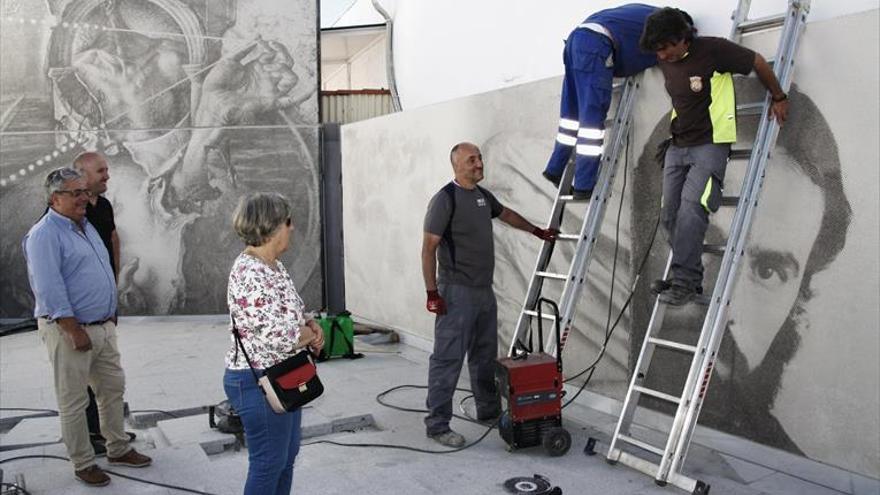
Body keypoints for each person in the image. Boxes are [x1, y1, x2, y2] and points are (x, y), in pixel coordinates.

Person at [639, 7, 790, 305]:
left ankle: (683, 282)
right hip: (678, 145)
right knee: (669, 213)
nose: (662, 56)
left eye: (666, 47)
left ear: (683, 38)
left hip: (710, 144)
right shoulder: (666, 60)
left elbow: (757, 62)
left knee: (692, 208)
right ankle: (690, 276)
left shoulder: (713, 50)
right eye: (656, 50)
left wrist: (779, 96)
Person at [421, 142, 558, 447]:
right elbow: (428, 249)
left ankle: (488, 410)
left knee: (484, 358)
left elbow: (506, 214)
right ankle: (437, 425)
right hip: (455, 294)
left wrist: (537, 231)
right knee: (447, 359)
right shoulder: (445, 200)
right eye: (472, 160)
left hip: (484, 292)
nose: (480, 164)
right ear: (457, 164)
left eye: (480, 158)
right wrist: (433, 292)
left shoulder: (482, 197)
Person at [23, 167, 151, 487]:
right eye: (76, 193)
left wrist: (109, 311)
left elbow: (99, 267)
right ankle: (83, 463)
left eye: (85, 191)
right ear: (55, 199)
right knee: (75, 401)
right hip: (71, 331)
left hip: (102, 326)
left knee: (111, 391)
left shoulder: (84, 224)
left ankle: (118, 448)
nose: (85, 198)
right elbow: (49, 288)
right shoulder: (44, 235)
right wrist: (72, 329)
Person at [223, 192, 325, 495]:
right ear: (272, 227)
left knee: (285, 459)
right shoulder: (251, 273)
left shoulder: (273, 266)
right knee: (268, 463)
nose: (292, 228)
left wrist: (309, 323)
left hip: (283, 374)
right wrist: (312, 334)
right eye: (288, 221)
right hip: (257, 381)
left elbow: (291, 313)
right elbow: (280, 337)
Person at [542, 4, 665, 200]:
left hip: (576, 39)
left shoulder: (643, 12)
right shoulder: (664, 24)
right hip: (595, 46)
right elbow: (649, 55)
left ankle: (555, 168)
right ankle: (584, 185)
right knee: (592, 120)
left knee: (571, 114)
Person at [72, 151, 135, 456]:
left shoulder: (104, 205)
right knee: (81, 375)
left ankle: (110, 434)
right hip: (81, 310)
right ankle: (89, 437)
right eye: (101, 171)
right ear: (82, 175)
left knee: (107, 375)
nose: (107, 175)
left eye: (107, 169)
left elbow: (112, 238)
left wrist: (114, 280)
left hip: (104, 303)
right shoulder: (72, 212)